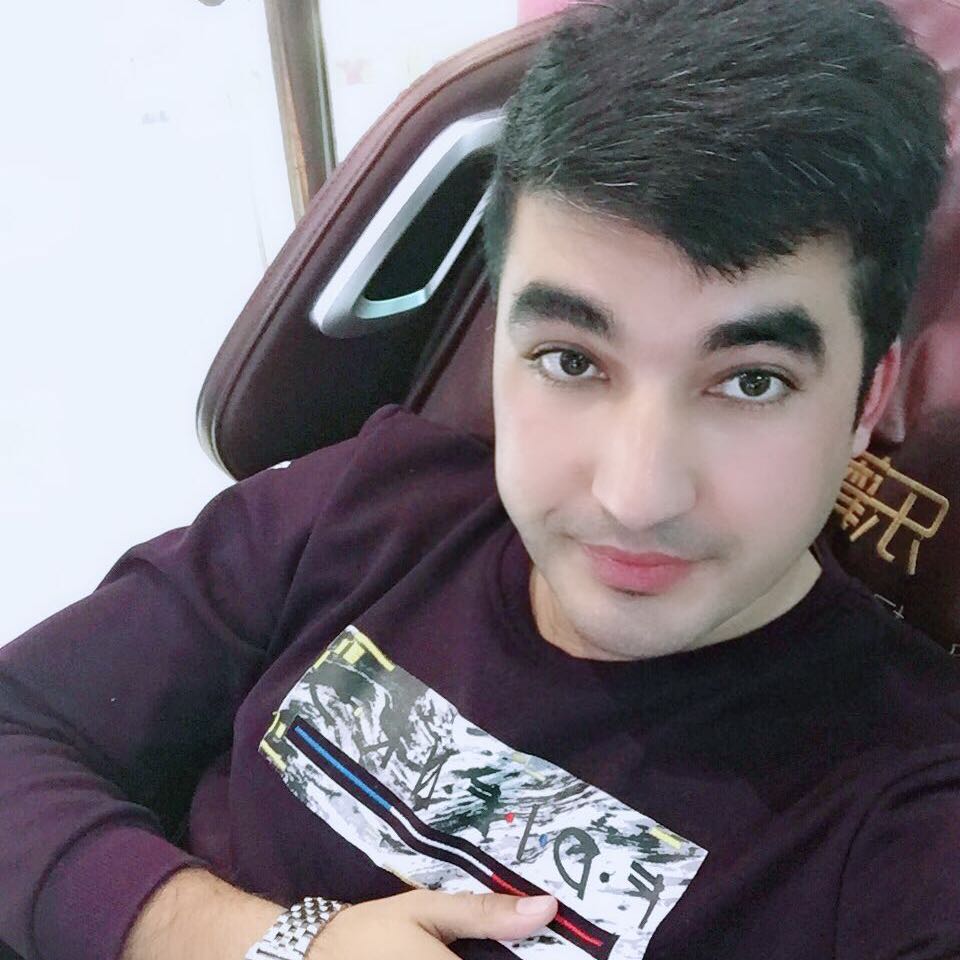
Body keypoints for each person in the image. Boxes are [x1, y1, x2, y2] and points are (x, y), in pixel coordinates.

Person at [1, 0, 958, 958]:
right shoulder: (365, 508)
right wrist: (263, 944)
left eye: (751, 381)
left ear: (867, 400)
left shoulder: (909, 814)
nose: (635, 496)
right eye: (571, 361)